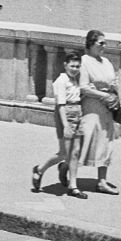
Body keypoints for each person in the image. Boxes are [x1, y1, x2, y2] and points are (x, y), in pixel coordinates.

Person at [31, 50, 86, 199]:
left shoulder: (76, 79)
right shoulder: (61, 82)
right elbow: (61, 105)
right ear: (65, 65)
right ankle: (40, 169)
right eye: (72, 66)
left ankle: (73, 186)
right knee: (64, 153)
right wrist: (66, 125)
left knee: (75, 152)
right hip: (65, 114)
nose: (75, 69)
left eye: (77, 66)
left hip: (77, 112)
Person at [78, 29, 121, 194]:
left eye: (105, 43)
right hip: (91, 106)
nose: (104, 46)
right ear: (90, 44)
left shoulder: (106, 61)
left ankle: (101, 181)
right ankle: (67, 166)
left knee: (106, 143)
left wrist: (114, 96)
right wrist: (104, 95)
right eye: (101, 43)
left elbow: (113, 80)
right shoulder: (84, 61)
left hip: (107, 107)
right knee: (85, 142)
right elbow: (83, 87)